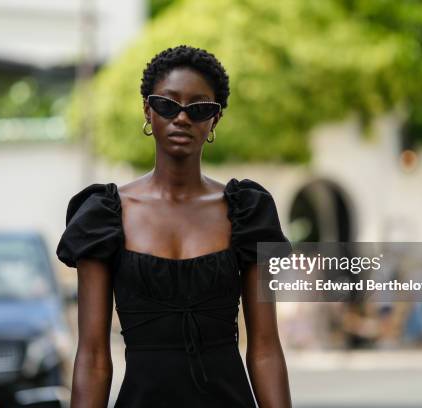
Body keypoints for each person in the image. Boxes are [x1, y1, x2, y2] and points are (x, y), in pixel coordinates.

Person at [56, 45, 292, 408]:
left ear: (215, 119)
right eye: (168, 104)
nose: (182, 118)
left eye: (198, 109)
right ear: (148, 111)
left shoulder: (249, 212)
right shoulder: (103, 216)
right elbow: (92, 358)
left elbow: (264, 349)